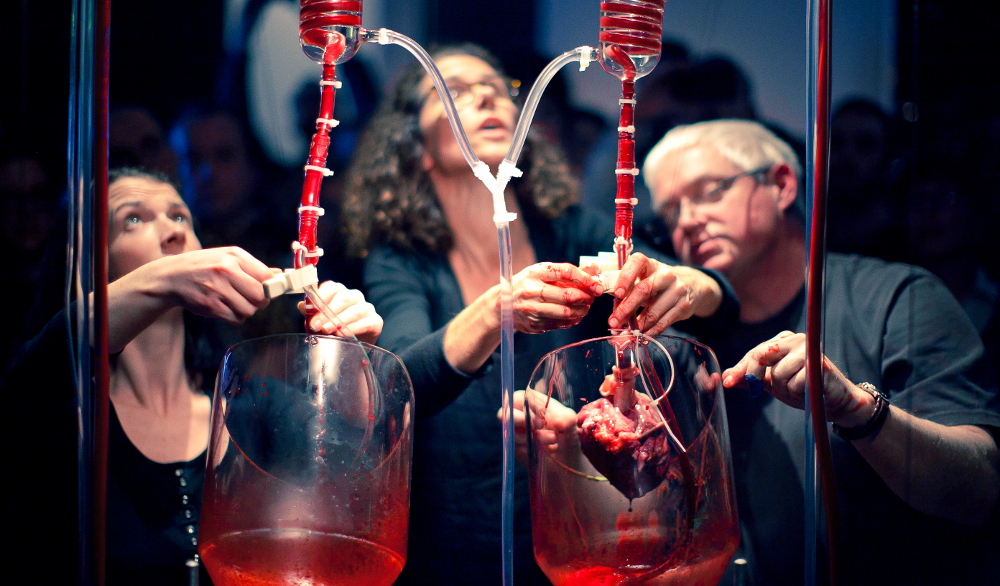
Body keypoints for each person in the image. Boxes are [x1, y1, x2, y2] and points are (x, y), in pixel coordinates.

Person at [342, 44, 737, 585]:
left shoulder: (568, 228)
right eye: (454, 90)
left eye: (498, 88)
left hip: (576, 537)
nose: (487, 95)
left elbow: (721, 305)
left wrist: (694, 285)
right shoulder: (402, 259)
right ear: (417, 147)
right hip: (453, 546)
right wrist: (496, 309)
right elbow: (400, 384)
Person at [641, 119, 1000, 585]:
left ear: (781, 185)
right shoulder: (683, 349)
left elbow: (981, 487)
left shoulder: (896, 298)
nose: (686, 221)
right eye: (670, 213)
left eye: (709, 191)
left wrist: (855, 408)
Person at [1, 168, 382, 585]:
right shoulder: (65, 414)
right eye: (134, 219)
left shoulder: (251, 405)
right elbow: (29, 382)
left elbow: (351, 457)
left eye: (180, 217)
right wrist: (163, 281)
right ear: (87, 261)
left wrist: (349, 352)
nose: (172, 234)